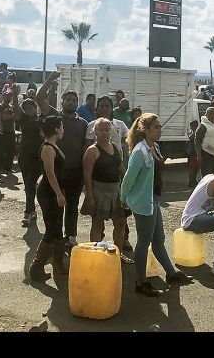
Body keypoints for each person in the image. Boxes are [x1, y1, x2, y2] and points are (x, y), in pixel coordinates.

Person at [121, 113, 193, 297]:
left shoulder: (154, 147)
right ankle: (140, 281)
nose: (160, 130)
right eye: (156, 127)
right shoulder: (140, 151)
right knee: (144, 242)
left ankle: (171, 273)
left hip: (152, 199)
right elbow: (128, 179)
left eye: (160, 126)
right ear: (145, 130)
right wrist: (123, 200)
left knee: (158, 238)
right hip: (144, 201)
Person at [36, 72, 87, 248]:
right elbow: (39, 97)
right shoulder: (55, 116)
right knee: (57, 207)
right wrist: (50, 80)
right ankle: (55, 239)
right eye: (68, 99)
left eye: (74, 100)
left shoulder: (83, 123)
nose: (71, 102)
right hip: (57, 172)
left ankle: (71, 236)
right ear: (62, 102)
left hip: (75, 172)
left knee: (72, 206)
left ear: (77, 103)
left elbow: (85, 148)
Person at [82, 118, 131, 263]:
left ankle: (118, 254)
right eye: (101, 130)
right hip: (99, 191)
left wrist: (128, 187)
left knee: (121, 223)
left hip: (116, 191)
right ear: (94, 132)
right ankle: (95, 255)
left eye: (107, 129)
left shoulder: (115, 147)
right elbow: (87, 175)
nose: (104, 132)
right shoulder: (92, 151)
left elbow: (122, 169)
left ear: (112, 131)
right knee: (98, 224)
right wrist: (89, 196)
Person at [28, 115, 68, 282]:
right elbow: (50, 174)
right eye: (62, 126)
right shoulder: (48, 148)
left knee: (58, 230)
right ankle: (36, 267)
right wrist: (59, 194)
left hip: (54, 191)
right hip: (49, 192)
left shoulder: (53, 146)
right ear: (57, 129)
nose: (63, 130)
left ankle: (58, 264)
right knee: (52, 230)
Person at [16, 98, 43, 226]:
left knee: (31, 182)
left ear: (35, 107)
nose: (28, 111)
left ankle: (28, 212)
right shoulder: (23, 119)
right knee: (28, 185)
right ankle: (31, 210)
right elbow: (16, 110)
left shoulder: (42, 120)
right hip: (24, 156)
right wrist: (15, 95)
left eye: (30, 108)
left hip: (37, 157)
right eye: (25, 109)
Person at [0, 89, 18, 173]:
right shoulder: (0, 106)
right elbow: (3, 117)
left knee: (11, 150)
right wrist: (12, 115)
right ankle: (0, 167)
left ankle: (8, 167)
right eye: (7, 95)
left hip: (11, 131)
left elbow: (16, 117)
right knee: (1, 150)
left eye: (10, 95)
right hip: (3, 130)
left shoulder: (12, 107)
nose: (9, 97)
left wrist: (11, 116)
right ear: (3, 96)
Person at [186, 120, 199, 188]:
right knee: (192, 168)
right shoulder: (192, 134)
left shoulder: (192, 133)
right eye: (192, 126)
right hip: (192, 153)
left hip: (193, 153)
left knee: (195, 168)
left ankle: (193, 181)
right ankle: (191, 182)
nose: (194, 127)